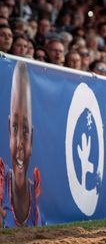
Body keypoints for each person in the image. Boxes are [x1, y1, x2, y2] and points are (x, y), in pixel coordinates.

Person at [1, 61, 41, 227]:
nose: (19, 143)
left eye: (25, 130)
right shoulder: (2, 185)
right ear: (8, 129)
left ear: (32, 138)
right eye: (15, 127)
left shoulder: (35, 190)